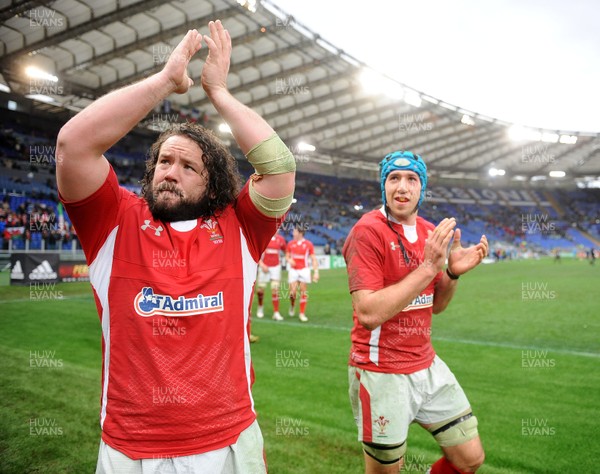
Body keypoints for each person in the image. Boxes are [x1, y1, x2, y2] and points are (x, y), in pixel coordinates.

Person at [55, 21, 295, 473]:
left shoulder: (240, 227)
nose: (171, 171)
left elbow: (279, 167)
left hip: (226, 441)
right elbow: (73, 145)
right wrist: (166, 82)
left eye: (189, 166)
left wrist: (218, 91)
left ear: (213, 183)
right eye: (165, 160)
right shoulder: (113, 220)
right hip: (130, 447)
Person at [342, 151, 488, 474]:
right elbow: (367, 312)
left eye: (412, 179)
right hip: (382, 371)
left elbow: (437, 305)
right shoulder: (367, 231)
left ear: (422, 187)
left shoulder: (428, 232)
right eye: (394, 178)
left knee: (469, 458)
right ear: (383, 186)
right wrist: (427, 268)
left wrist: (451, 274)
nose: (402, 187)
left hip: (426, 365)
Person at [286, 225, 319, 322]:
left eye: (295, 231)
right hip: (293, 270)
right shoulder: (290, 243)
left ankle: (302, 313)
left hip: (304, 270)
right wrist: (289, 260)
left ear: (300, 233)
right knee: (292, 293)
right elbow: (287, 256)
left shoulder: (308, 244)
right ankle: (292, 306)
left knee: (303, 291)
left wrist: (316, 272)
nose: (293, 233)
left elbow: (313, 258)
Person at [255, 229, 287, 321]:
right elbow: (256, 252)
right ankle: (260, 307)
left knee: (275, 289)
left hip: (276, 267)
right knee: (260, 289)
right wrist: (261, 264)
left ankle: (276, 312)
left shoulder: (281, 239)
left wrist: (287, 259)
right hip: (264, 266)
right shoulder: (263, 237)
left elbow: (286, 251)